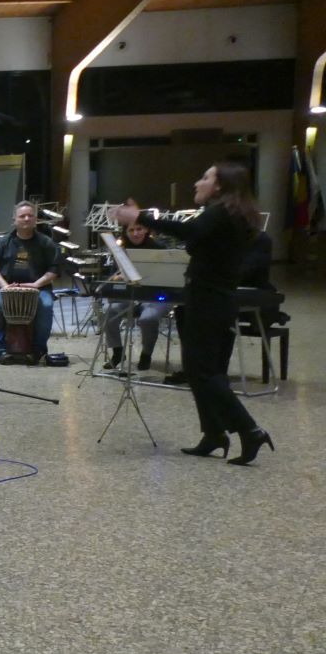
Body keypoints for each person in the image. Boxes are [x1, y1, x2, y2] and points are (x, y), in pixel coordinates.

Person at [112, 164, 272, 465]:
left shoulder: (221, 213)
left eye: (205, 178)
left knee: (204, 372)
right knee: (198, 371)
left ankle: (250, 430)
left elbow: (188, 232)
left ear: (220, 186)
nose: (198, 183)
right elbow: (196, 239)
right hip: (208, 299)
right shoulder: (228, 214)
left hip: (210, 301)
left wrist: (140, 216)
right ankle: (213, 434)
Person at [0, 201, 58, 363]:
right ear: (14, 219)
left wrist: (36, 285)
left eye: (30, 216)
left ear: (36, 219)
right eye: (22, 216)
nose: (26, 219)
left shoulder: (46, 242)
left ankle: (38, 349)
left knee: (46, 305)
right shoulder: (3, 242)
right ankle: (0, 348)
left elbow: (54, 270)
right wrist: (5, 286)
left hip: (39, 288)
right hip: (7, 288)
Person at [100, 221, 169, 372]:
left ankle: (146, 354)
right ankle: (117, 352)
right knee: (108, 311)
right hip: (129, 296)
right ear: (126, 232)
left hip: (154, 297)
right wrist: (117, 278)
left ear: (146, 230)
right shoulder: (121, 250)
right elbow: (113, 276)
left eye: (139, 229)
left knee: (148, 318)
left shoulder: (159, 248)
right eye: (131, 230)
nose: (135, 233)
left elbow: (166, 277)